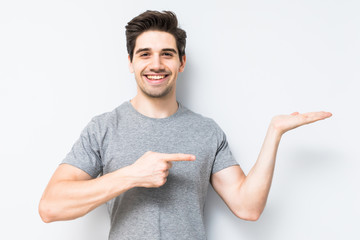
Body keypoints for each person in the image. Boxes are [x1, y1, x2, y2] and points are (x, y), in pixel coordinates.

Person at [38, 10, 332, 240]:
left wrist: (274, 134)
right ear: (130, 62)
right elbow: (50, 207)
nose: (156, 64)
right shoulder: (102, 128)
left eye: (167, 54)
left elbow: (248, 207)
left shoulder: (207, 131)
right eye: (145, 54)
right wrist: (131, 175)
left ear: (181, 62)